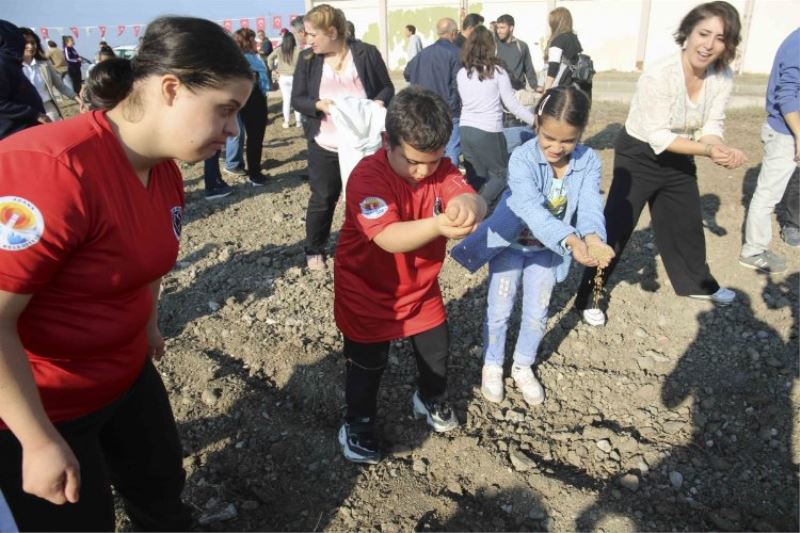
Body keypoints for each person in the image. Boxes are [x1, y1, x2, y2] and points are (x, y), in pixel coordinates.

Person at [0, 16, 255, 530]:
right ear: (171, 89)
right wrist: (36, 439)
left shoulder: (164, 169)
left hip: (126, 374)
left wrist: (149, 324)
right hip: (47, 402)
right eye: (225, 110)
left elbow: (146, 261)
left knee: (161, 489)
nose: (233, 130)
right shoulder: (52, 170)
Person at [334, 86, 487, 464]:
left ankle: (430, 397)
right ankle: (358, 423)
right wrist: (438, 225)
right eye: (414, 162)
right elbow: (388, 237)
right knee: (367, 365)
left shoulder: (442, 170)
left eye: (432, 162)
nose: (423, 171)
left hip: (420, 289)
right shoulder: (367, 178)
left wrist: (469, 206)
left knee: (437, 352)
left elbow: (469, 195)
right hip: (366, 291)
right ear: (387, 141)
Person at [574, 1, 747, 326]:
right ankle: (589, 295)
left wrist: (719, 147)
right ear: (688, 33)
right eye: (704, 33)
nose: (709, 44)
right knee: (617, 226)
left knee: (687, 222)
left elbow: (712, 125)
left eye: (720, 38)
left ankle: (698, 283)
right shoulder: (660, 73)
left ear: (728, 45)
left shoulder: (722, 76)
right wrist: (708, 151)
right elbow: (658, 136)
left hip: (681, 152)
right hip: (639, 153)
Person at [451, 86, 613, 405]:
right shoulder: (522, 159)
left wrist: (593, 237)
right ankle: (492, 364)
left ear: (581, 132)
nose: (556, 147)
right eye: (549, 137)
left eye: (568, 141)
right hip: (510, 247)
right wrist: (571, 239)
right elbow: (531, 210)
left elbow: (591, 204)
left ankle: (523, 364)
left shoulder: (588, 161)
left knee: (537, 312)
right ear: (537, 122)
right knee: (499, 309)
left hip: (547, 253)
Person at [292, 3, 394, 271]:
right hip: (325, 144)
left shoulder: (365, 53)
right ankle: (314, 248)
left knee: (367, 196)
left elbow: (386, 87)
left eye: (312, 34)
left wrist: (378, 103)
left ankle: (371, 241)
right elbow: (298, 99)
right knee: (324, 197)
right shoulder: (308, 60)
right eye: (306, 33)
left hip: (363, 145)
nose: (307, 39)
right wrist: (319, 105)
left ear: (332, 32)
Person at [739, 29, 800, 273]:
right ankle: (753, 251)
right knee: (768, 195)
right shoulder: (797, 43)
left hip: (793, 132)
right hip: (786, 133)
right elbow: (787, 94)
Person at [457, 25, 535, 205]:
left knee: (476, 177)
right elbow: (512, 105)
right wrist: (535, 121)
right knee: (500, 175)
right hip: (489, 131)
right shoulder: (497, 72)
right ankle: (479, 206)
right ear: (491, 46)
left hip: (466, 130)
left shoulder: (462, 73)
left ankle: (476, 213)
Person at [404, 17, 461, 167]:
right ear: (453, 33)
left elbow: (407, 73)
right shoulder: (456, 53)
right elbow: (458, 83)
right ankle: (450, 180)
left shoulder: (423, 53)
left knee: (428, 149)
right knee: (450, 150)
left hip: (423, 110)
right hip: (448, 110)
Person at [232, 28, 269, 185]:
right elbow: (251, 80)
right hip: (253, 100)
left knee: (253, 138)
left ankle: (254, 170)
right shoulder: (247, 59)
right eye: (253, 40)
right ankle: (255, 174)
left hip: (250, 99)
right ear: (247, 42)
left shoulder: (241, 58)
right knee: (255, 138)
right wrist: (257, 77)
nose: (256, 42)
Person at [19, 28, 80, 122]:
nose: (30, 46)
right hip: (25, 113)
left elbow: (60, 86)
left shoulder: (44, 64)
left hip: (48, 109)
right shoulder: (11, 67)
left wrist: (78, 99)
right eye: (26, 43)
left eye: (33, 42)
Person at [0, 19, 46, 141]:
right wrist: (33, 114)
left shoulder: (11, 63)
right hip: (16, 132)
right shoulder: (2, 64)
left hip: (27, 128)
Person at [542, 7, 591, 98]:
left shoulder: (558, 40)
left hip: (559, 88)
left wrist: (546, 90)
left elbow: (553, 67)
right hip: (573, 87)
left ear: (556, 23)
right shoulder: (574, 38)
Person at [495, 14, 538, 107]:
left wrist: (535, 86)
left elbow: (528, 68)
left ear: (511, 28)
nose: (499, 31)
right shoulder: (494, 46)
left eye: (502, 28)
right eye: (497, 28)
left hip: (518, 93)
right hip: (498, 93)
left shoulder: (522, 46)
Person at [268, 30, 302, 128]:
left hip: (283, 77)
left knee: (286, 100)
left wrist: (273, 69)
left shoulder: (279, 50)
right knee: (297, 100)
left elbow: (269, 58)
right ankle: (298, 122)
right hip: (295, 77)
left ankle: (286, 122)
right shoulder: (298, 50)